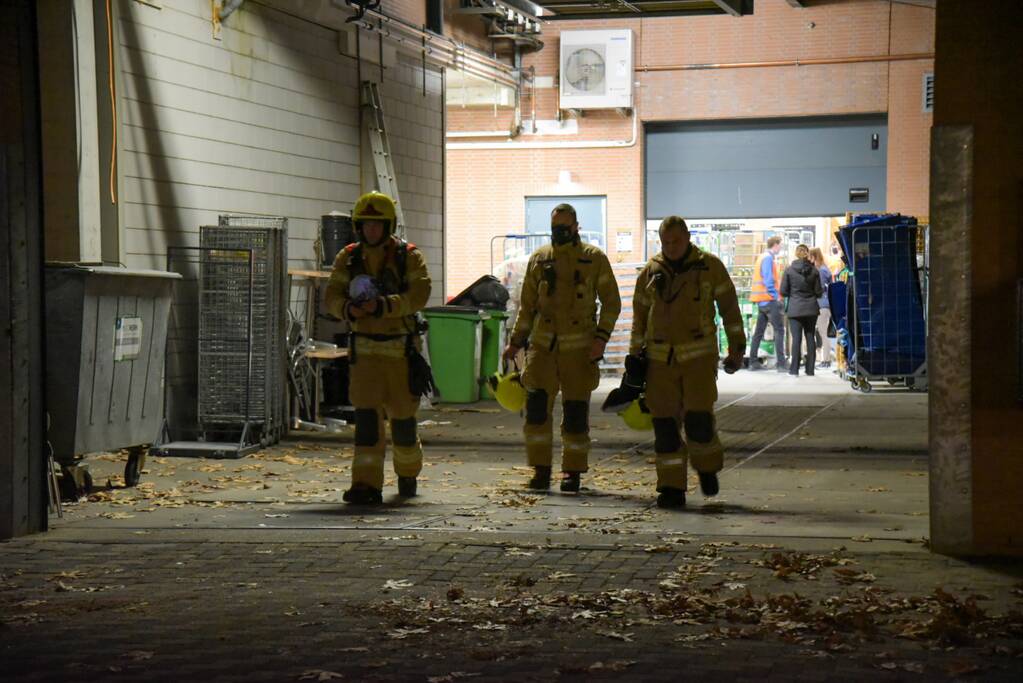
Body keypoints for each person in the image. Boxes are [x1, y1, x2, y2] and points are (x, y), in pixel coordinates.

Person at [502, 203, 621, 493]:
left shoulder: (594, 260)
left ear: (576, 227)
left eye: (565, 229)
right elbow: (527, 306)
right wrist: (516, 342)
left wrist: (600, 339)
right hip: (542, 351)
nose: (560, 234)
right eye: (555, 229)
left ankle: (572, 472)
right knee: (537, 414)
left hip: (579, 354)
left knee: (576, 415)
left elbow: (612, 303)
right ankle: (541, 470)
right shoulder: (540, 260)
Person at [629, 216, 746, 508]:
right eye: (666, 242)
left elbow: (730, 310)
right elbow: (639, 317)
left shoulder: (709, 267)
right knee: (665, 427)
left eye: (676, 242)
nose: (671, 248)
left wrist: (736, 349)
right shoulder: (651, 271)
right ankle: (671, 488)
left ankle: (707, 468)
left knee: (699, 422)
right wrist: (634, 356)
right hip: (659, 363)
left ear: (687, 238)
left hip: (698, 360)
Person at [324, 191, 432, 505]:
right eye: (366, 225)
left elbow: (420, 294)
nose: (371, 230)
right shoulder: (348, 257)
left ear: (388, 226)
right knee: (368, 423)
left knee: (402, 422)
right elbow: (331, 295)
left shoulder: (407, 256)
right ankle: (365, 486)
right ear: (359, 226)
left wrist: (384, 305)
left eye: (377, 225)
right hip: (365, 357)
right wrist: (347, 308)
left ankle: (408, 473)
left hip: (400, 353)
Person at [780, 244, 823, 376]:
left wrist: (794, 294)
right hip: (811, 309)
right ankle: (810, 370)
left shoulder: (789, 270)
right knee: (810, 337)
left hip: (795, 309)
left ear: (796, 254)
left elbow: (783, 291)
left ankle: (794, 369)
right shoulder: (814, 270)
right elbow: (819, 292)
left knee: (796, 339)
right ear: (807, 253)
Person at [748, 236, 787, 371]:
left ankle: (753, 362)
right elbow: (768, 279)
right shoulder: (768, 258)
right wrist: (776, 296)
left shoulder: (761, 257)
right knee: (779, 330)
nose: (781, 248)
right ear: (775, 245)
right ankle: (781, 364)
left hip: (761, 302)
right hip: (769, 300)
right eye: (780, 245)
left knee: (758, 332)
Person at [809, 247, 833, 368]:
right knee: (822, 333)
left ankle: (826, 360)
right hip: (823, 305)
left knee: (823, 333)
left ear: (813, 257)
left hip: (822, 305)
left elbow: (819, 289)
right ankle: (825, 359)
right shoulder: (823, 269)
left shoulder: (821, 271)